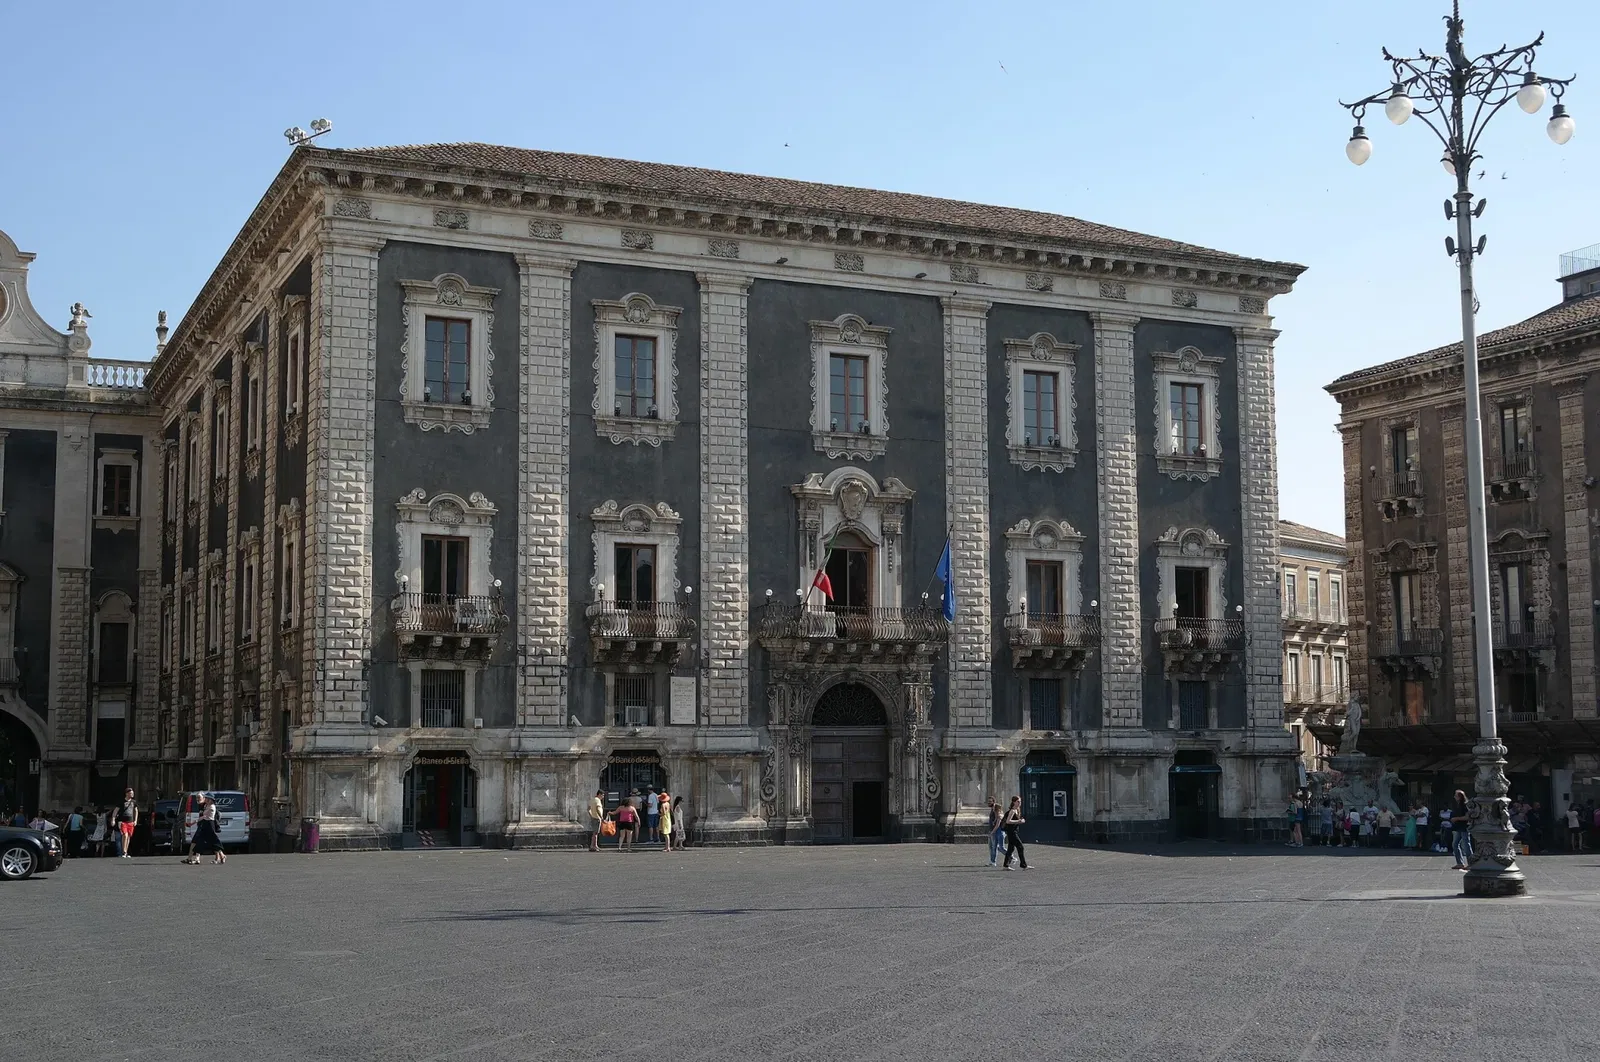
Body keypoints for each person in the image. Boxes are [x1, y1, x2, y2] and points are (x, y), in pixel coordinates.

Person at [188, 796, 226, 865]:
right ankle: (196, 858)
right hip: (205, 824)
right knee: (200, 840)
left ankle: (222, 855)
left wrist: (193, 822)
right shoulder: (206, 806)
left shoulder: (212, 807)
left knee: (214, 841)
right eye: (207, 799)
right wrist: (193, 822)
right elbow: (202, 816)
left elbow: (204, 816)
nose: (207, 800)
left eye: (208, 799)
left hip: (209, 824)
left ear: (211, 800)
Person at [1000, 795, 1028, 870]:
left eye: (1020, 801)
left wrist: (1020, 821)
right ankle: (1023, 865)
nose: (1019, 803)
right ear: (1014, 802)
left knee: (1010, 849)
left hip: (1013, 831)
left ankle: (1005, 865)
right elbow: (1008, 821)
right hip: (1012, 832)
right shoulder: (1012, 811)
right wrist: (1019, 821)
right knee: (1020, 847)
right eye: (1018, 801)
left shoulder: (1017, 810)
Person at [1450, 790, 1472, 870]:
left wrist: (1456, 818)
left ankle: (1470, 863)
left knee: (1466, 845)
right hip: (1458, 827)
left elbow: (1467, 817)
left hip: (1464, 827)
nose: (1454, 797)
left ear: (1460, 797)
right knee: (1455, 844)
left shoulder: (1465, 805)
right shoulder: (1457, 805)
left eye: (1456, 795)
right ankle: (1460, 863)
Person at [115, 787, 139, 858]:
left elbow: (136, 811)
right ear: (127, 793)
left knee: (128, 836)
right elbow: (116, 810)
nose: (132, 794)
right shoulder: (121, 802)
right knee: (125, 835)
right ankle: (124, 851)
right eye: (131, 793)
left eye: (132, 793)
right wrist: (113, 819)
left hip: (131, 822)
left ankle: (126, 851)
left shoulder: (134, 802)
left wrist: (135, 820)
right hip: (123, 821)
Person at [985, 798, 1004, 866]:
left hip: (995, 831)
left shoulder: (997, 810)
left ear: (993, 802)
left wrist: (992, 831)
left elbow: (998, 821)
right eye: (988, 801)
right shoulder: (992, 810)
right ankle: (992, 861)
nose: (988, 803)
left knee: (997, 847)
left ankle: (1010, 857)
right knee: (991, 847)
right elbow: (995, 819)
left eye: (990, 801)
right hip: (991, 830)